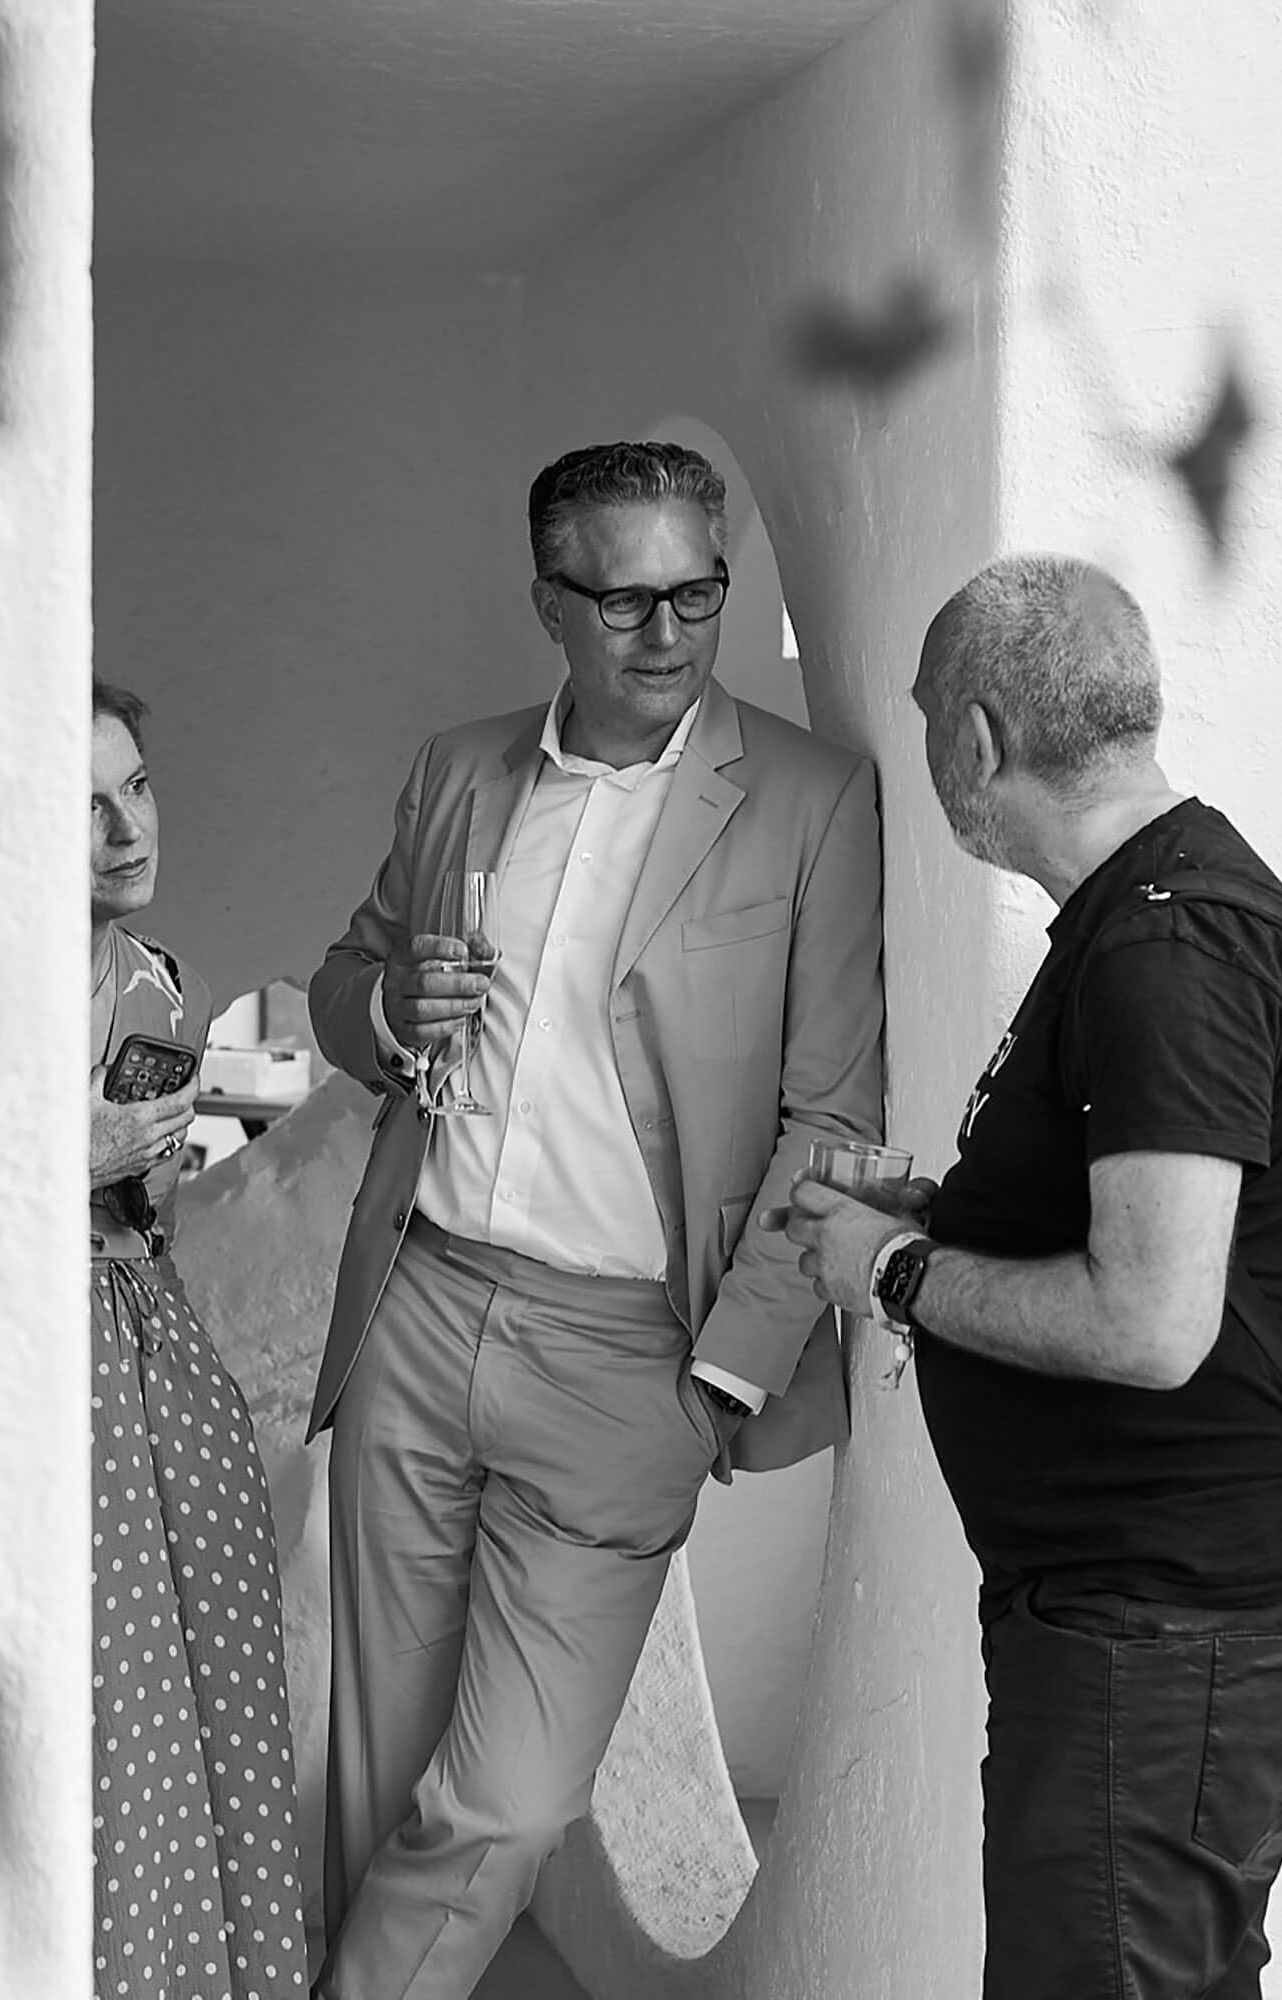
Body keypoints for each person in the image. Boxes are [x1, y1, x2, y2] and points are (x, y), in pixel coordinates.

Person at [304, 441, 887, 2000]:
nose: (669, 633)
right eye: (625, 601)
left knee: (504, 1802)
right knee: (383, 1770)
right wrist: (389, 1008)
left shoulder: (813, 801)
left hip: (633, 1358)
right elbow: (346, 980)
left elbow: (831, 1118)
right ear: (549, 603)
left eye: (698, 592)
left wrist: (723, 1378)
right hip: (421, 1306)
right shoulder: (459, 771)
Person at [786, 553, 1282, 1999]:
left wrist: (897, 1270)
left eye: (928, 720)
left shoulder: (1168, 949)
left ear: (977, 737)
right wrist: (951, 1218)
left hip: (1160, 1634)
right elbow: (1157, 1233)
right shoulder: (1151, 915)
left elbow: (1153, 1319)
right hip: (1151, 1621)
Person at [88, 681, 310, 2000]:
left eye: (136, 786)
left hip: (159, 1350)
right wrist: (71, 1158)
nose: (127, 831)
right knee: (116, 1715)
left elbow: (152, 1210)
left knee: (220, 1690)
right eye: (82, 807)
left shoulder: (163, 986)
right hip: (55, 1368)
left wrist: (156, 1165)